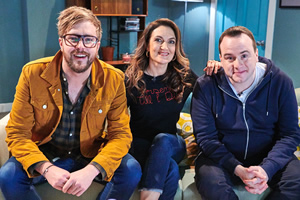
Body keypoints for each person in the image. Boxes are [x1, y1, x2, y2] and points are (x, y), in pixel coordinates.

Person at [0, 6, 141, 200]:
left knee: (131, 170)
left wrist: (92, 170)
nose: (80, 46)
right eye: (73, 38)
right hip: (46, 152)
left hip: (90, 152)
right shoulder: (32, 74)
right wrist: (46, 169)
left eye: (88, 39)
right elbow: (17, 133)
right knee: (8, 176)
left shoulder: (114, 79)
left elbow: (120, 135)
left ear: (97, 44)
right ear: (61, 42)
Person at [191, 25, 300, 199]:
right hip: (221, 159)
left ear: (256, 54)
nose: (237, 64)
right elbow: (206, 139)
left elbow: (289, 135)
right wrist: (238, 168)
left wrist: (267, 168)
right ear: (220, 58)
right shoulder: (206, 86)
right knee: (211, 183)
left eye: (244, 55)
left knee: (297, 181)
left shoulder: (281, 82)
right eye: (229, 57)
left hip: (268, 156)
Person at [125, 18, 198, 200]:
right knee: (171, 169)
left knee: (163, 140)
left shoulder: (184, 77)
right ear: (147, 46)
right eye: (158, 40)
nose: (165, 46)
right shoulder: (131, 80)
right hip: (140, 146)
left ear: (175, 49)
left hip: (172, 144)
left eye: (171, 42)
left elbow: (214, 89)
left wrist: (217, 68)